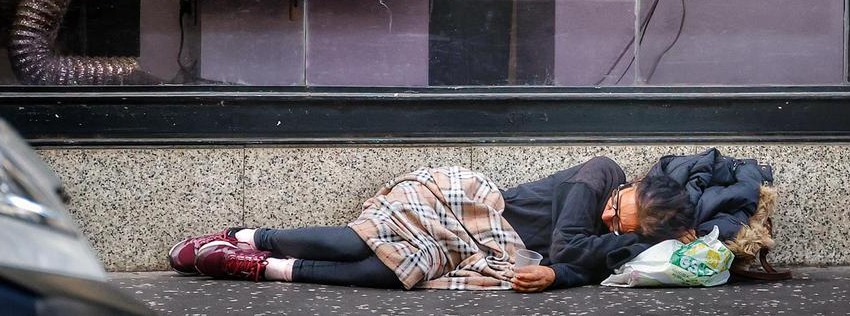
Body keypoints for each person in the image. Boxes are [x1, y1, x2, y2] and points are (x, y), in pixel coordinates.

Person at [167, 156, 696, 291]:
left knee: (399, 272)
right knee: (360, 241)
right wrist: (568, 266)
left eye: (620, 224)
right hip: (458, 202)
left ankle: (261, 268)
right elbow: (567, 246)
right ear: (629, 186)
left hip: (474, 249)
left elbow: (577, 263)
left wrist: (562, 274)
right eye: (618, 203)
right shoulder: (601, 174)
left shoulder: (612, 243)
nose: (609, 213)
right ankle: (240, 236)